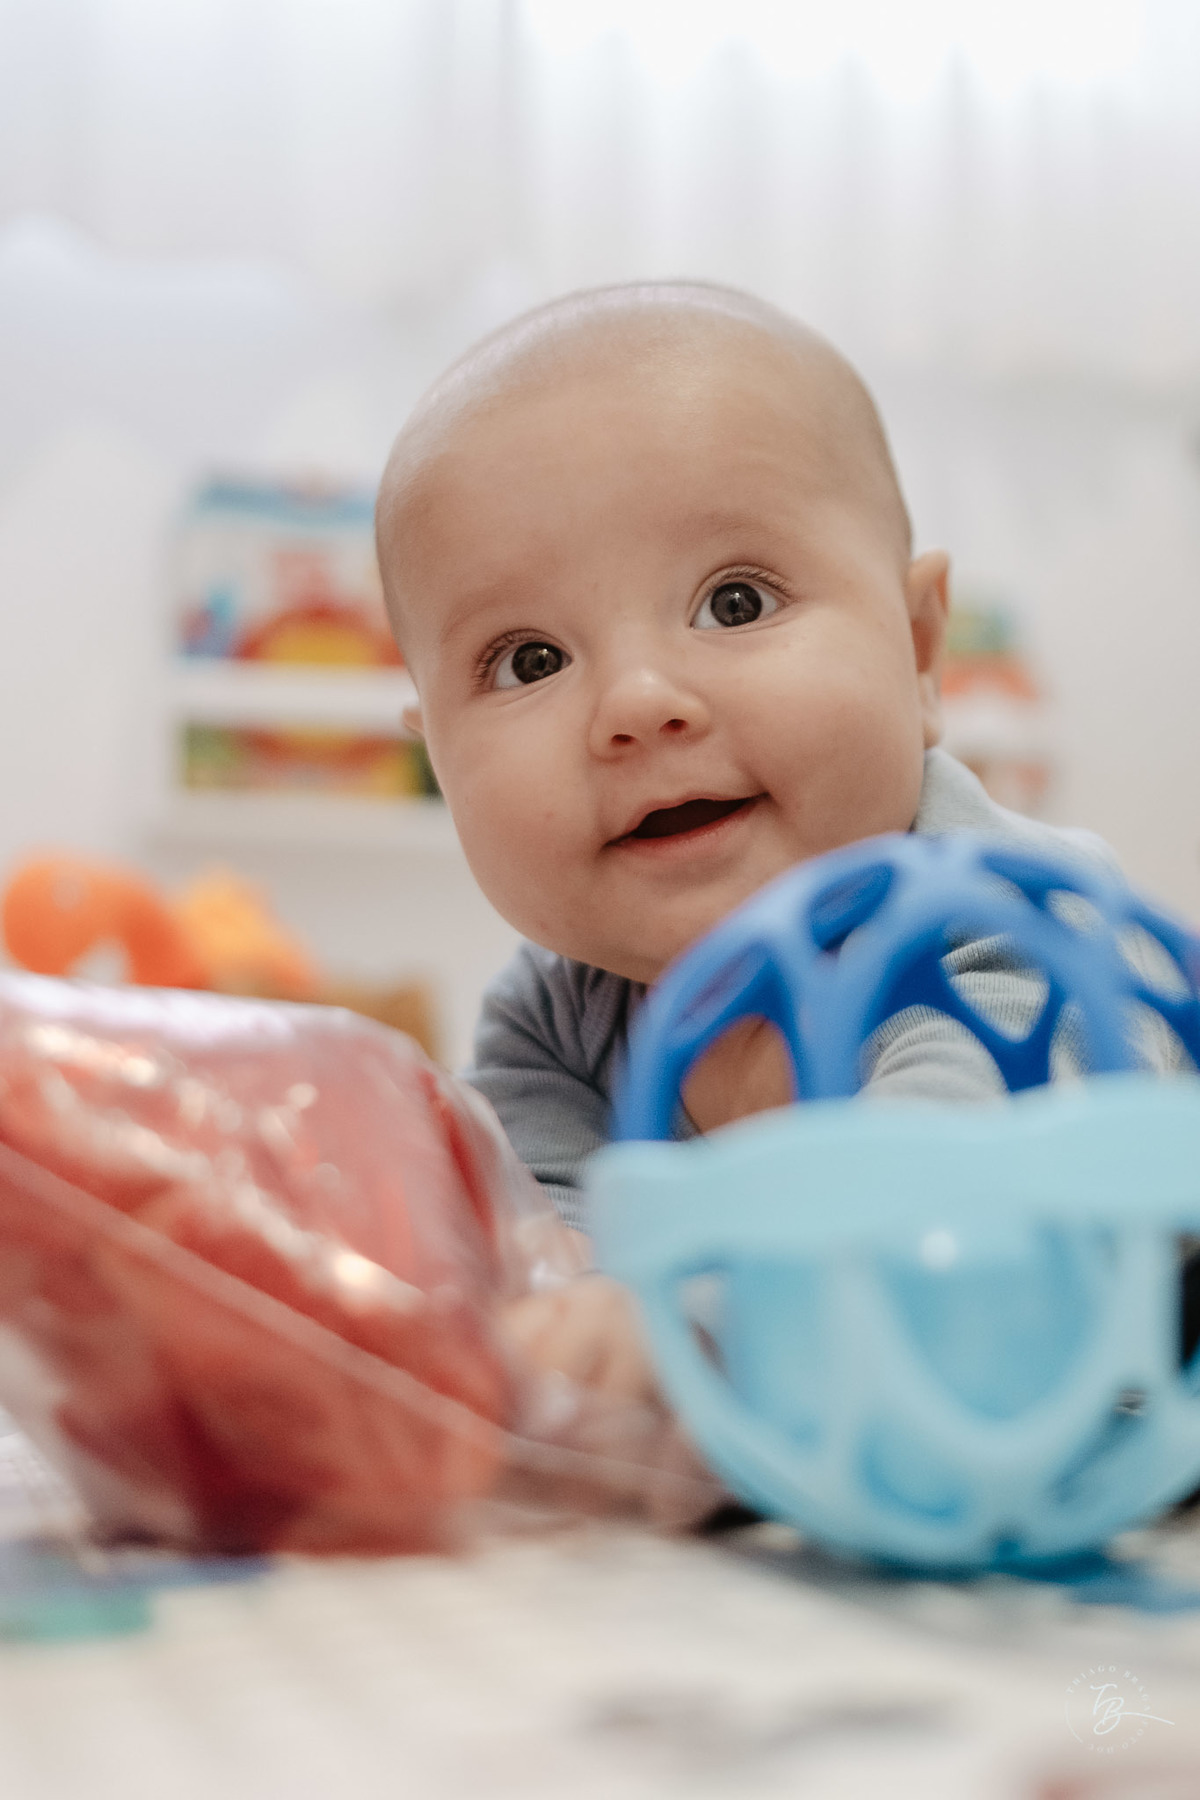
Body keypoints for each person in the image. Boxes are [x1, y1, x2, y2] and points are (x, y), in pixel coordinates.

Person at [372, 280, 1136, 1405]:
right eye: (530, 660)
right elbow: (545, 1273)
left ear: (920, 656)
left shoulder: (1019, 921)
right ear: (434, 753)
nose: (636, 702)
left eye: (734, 602)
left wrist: (691, 1326)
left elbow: (940, 1194)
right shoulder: (553, 1024)